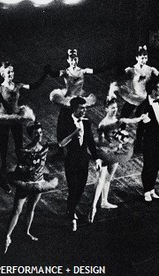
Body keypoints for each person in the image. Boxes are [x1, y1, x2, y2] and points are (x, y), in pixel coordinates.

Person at [88, 96, 148, 222]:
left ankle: (104, 201)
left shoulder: (117, 119)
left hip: (115, 151)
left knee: (109, 178)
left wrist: (140, 118)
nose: (115, 110)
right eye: (112, 108)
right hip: (105, 153)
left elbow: (128, 120)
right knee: (100, 180)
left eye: (116, 107)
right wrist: (114, 144)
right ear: (106, 109)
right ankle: (93, 207)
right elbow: (100, 142)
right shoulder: (103, 124)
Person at [4, 121, 58, 253]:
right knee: (17, 210)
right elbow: (19, 168)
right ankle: (7, 236)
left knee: (31, 209)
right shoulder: (25, 151)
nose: (39, 135)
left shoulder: (44, 147)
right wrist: (24, 169)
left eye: (40, 132)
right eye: (35, 133)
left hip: (38, 183)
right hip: (25, 183)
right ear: (30, 135)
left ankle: (26, 232)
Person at [0, 61, 47, 171]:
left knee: (19, 142)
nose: (11, 74)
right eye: (8, 72)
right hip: (4, 119)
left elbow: (34, 86)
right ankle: (2, 164)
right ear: (3, 74)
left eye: (12, 72)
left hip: (16, 118)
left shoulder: (18, 85)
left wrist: (45, 74)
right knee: (4, 142)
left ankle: (20, 164)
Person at [58, 97, 100, 231]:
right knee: (73, 188)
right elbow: (60, 143)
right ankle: (71, 215)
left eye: (85, 108)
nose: (84, 110)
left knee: (81, 188)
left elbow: (91, 142)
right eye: (82, 108)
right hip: (71, 161)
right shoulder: (65, 122)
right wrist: (73, 134)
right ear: (74, 109)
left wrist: (96, 158)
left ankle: (71, 208)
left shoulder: (86, 123)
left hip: (83, 161)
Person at [48, 49, 99, 157]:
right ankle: (61, 150)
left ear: (77, 59)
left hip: (79, 99)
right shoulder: (65, 71)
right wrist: (48, 70)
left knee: (82, 124)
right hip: (67, 100)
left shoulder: (83, 71)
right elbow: (54, 74)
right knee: (61, 124)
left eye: (75, 59)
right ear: (68, 60)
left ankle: (83, 147)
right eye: (71, 59)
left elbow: (97, 70)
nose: (73, 61)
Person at [112, 45, 159, 153]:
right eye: (142, 58)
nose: (144, 60)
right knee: (123, 117)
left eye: (146, 58)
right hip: (132, 97)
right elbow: (119, 74)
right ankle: (119, 141)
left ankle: (138, 144)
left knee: (142, 121)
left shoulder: (150, 69)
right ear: (137, 58)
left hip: (143, 99)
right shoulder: (132, 70)